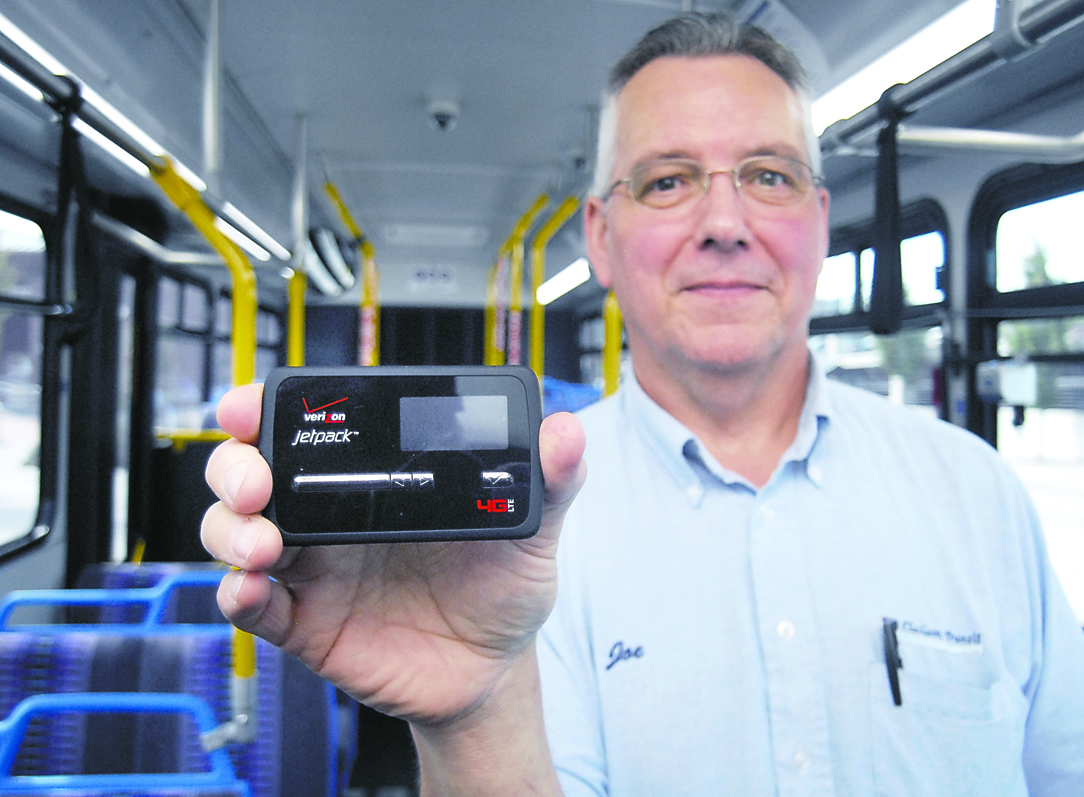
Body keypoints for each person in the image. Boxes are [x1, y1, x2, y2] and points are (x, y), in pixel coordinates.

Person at [201, 12, 1084, 796]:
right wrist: (471, 720)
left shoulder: (978, 493)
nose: (725, 221)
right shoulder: (509, 536)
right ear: (601, 236)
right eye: (668, 181)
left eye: (768, 175)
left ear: (820, 219)